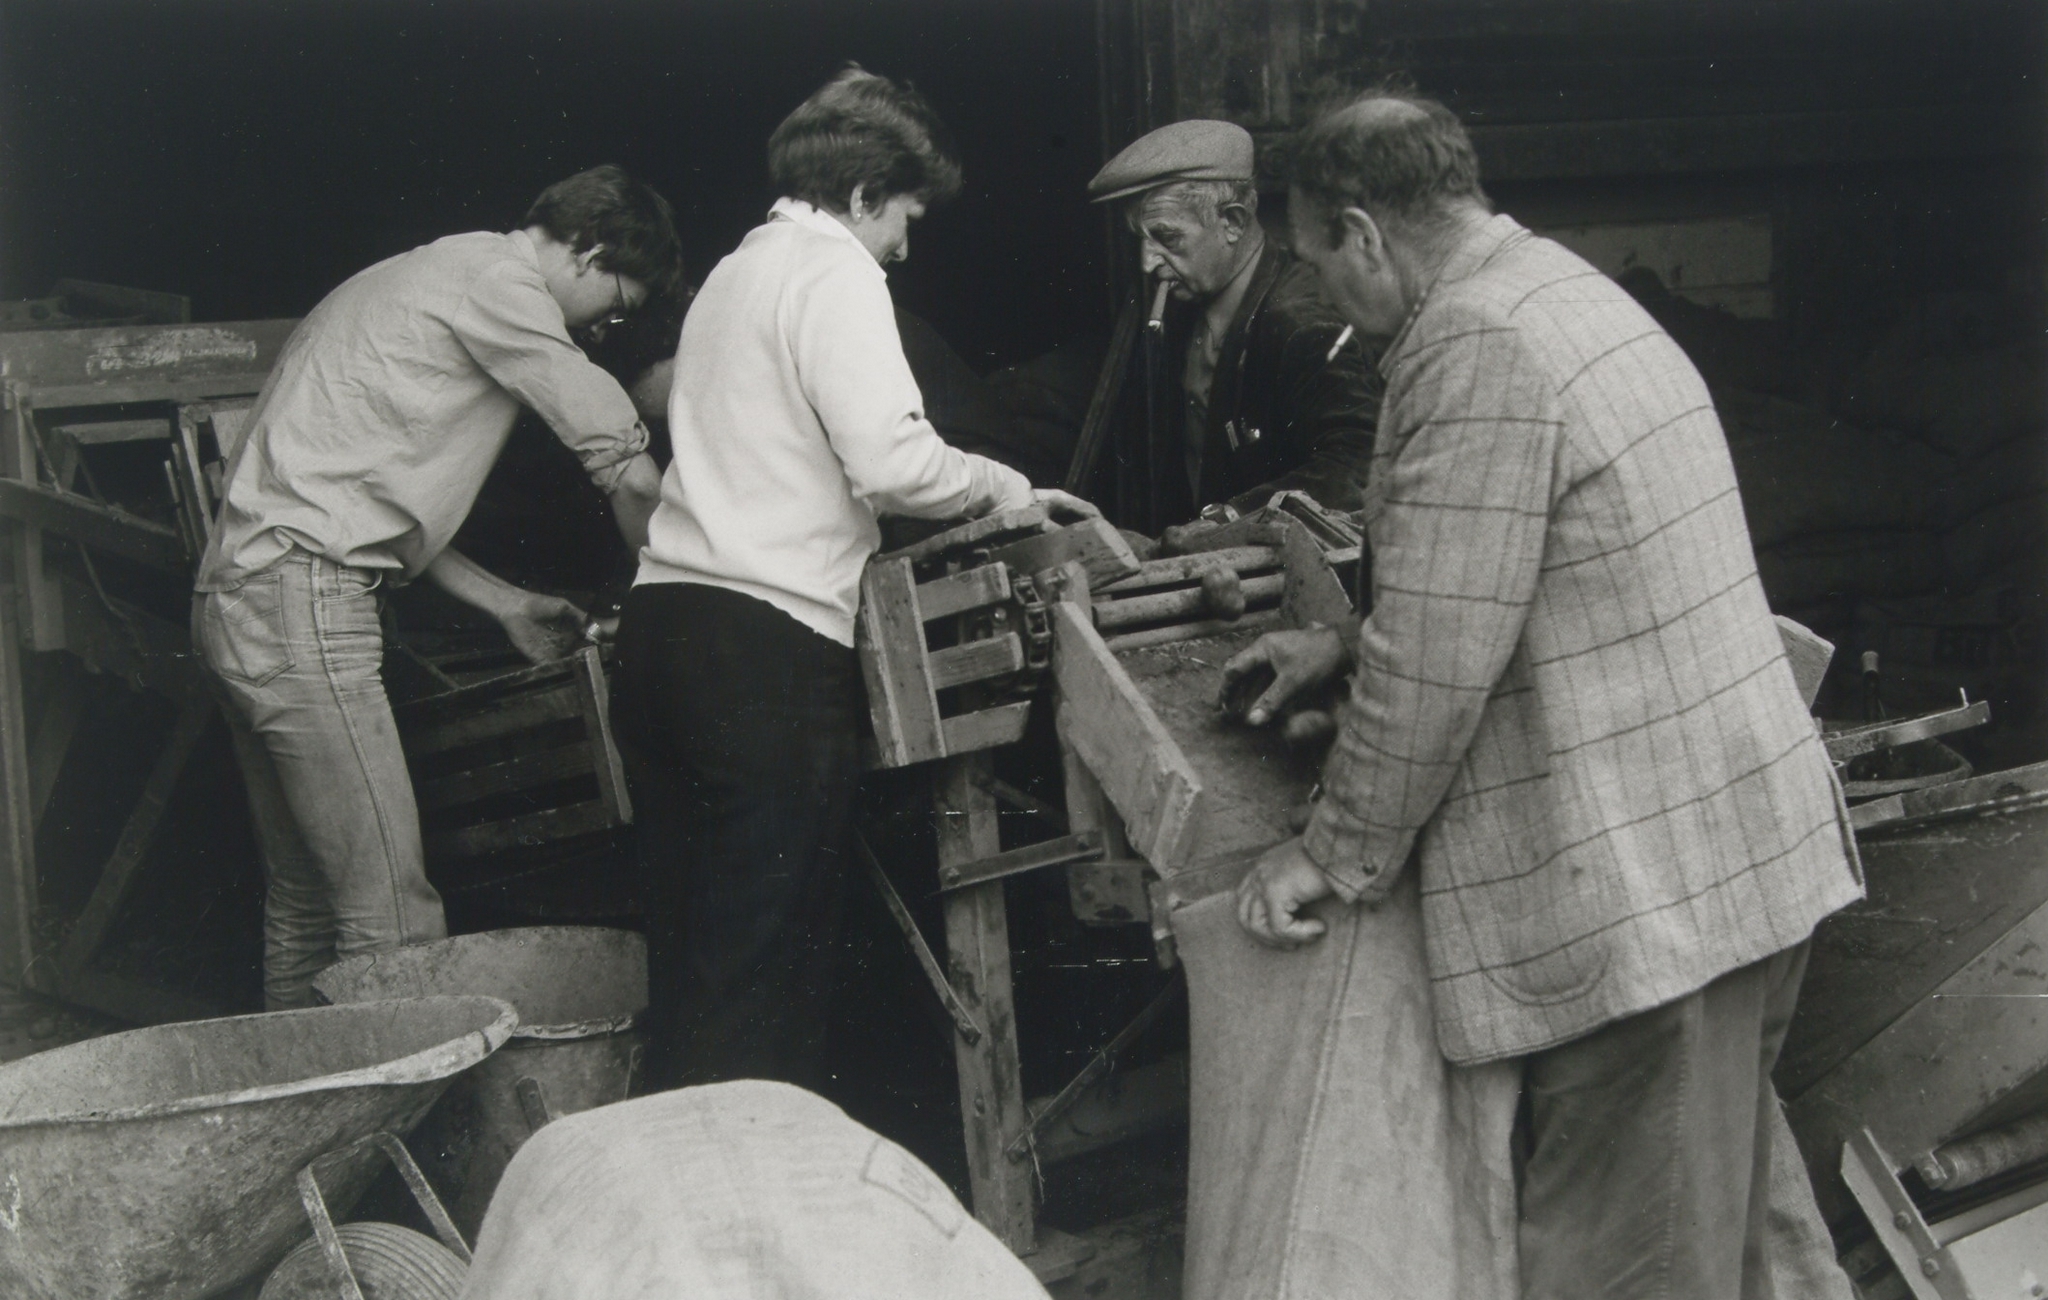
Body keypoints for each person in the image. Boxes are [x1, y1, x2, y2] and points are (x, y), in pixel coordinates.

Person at [1222, 92, 1862, 1298]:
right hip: (1726, 864)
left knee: (1623, 1272)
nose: (1324, 297)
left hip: (1641, 906)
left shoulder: (1470, 342)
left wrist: (1328, 852)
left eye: (1314, 259)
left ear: (1362, 232)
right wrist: (1347, 641)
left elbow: (1435, 668)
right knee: (1726, 1254)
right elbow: (1543, 555)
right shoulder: (1558, 289)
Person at [614, 67, 1094, 1093]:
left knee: (694, 965)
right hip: (763, 654)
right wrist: (1008, 488)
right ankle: (754, 1187)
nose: (905, 246)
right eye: (905, 216)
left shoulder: (733, 274)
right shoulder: (835, 273)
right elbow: (892, 464)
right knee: (761, 980)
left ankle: (676, 1177)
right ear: (865, 193)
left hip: (660, 634)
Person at [193, 165, 681, 1010]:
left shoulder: (425, 272)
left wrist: (505, 602)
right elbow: (628, 471)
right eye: (614, 307)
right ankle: (399, 1099)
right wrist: (670, 593)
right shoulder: (503, 284)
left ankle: (306, 1094)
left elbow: (364, 502)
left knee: (310, 908)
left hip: (245, 598)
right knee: (394, 924)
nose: (602, 330)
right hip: (304, 605)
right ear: (590, 251)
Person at [1085, 119, 1382, 544]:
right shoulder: (1187, 301)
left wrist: (1228, 518)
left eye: (1168, 238)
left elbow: (1358, 464)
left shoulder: (1301, 325)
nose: (1148, 262)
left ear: (1233, 222)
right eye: (1141, 240)